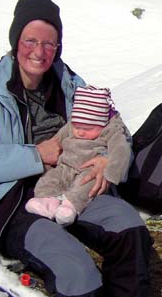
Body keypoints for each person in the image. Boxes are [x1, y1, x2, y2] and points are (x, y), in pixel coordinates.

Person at [0, 0, 152, 297]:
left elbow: (115, 127)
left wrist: (108, 161)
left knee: (129, 228)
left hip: (71, 186)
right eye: (30, 40)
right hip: (11, 202)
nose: (39, 52)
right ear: (16, 41)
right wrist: (34, 156)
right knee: (75, 269)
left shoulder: (71, 85)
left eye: (49, 43)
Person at [25, 85, 132, 225]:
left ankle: (70, 207)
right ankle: (46, 201)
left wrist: (111, 173)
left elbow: (121, 149)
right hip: (65, 166)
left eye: (88, 129)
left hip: (89, 170)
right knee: (49, 178)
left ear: (102, 125)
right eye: (76, 127)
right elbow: (57, 140)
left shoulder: (111, 130)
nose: (80, 132)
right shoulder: (73, 125)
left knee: (87, 186)